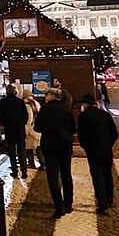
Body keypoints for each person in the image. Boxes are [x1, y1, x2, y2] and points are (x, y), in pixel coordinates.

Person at [34, 88, 76, 219]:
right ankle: (68, 204)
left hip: (50, 146)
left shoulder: (45, 110)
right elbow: (73, 128)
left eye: (47, 94)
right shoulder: (66, 109)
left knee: (53, 177)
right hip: (65, 146)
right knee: (66, 174)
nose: (45, 97)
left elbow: (37, 127)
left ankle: (59, 207)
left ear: (52, 96)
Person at [77, 93, 119, 215]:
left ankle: (103, 204)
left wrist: (86, 147)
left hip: (93, 151)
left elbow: (82, 136)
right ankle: (110, 199)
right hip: (106, 150)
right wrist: (108, 144)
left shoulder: (83, 117)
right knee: (107, 175)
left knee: (97, 177)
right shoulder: (105, 115)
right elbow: (114, 133)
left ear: (85, 104)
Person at [0, 85, 29, 178]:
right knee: (21, 151)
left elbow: (0, 116)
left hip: (9, 130)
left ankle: (14, 171)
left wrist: (5, 124)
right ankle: (24, 171)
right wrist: (21, 123)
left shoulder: (2, 102)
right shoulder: (20, 102)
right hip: (19, 129)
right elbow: (25, 116)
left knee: (12, 151)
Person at [23, 90, 45, 170]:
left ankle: (31, 163)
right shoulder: (36, 103)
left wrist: (26, 129)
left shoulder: (26, 105)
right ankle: (43, 163)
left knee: (29, 148)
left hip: (30, 128)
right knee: (39, 148)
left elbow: (29, 118)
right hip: (37, 128)